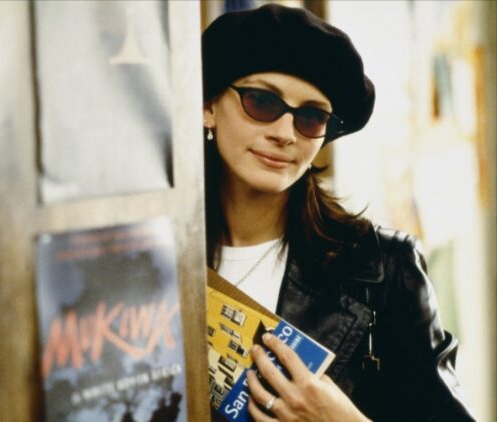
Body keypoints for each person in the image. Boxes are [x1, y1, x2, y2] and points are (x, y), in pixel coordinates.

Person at [201, 4, 475, 421]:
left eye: (311, 117)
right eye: (261, 102)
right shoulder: (150, 257)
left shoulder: (383, 270)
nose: (284, 133)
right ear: (208, 106)